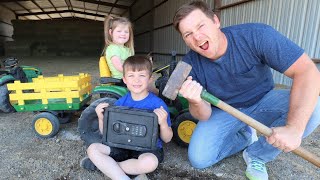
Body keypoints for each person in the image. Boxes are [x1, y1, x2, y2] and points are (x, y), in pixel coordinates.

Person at [172, 1, 320, 180]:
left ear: (216, 21)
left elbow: (307, 71)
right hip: (223, 111)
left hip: (264, 101)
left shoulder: (256, 35)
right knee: (199, 159)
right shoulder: (186, 67)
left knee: (314, 108)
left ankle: (257, 154)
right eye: (188, 34)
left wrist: (294, 129)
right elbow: (203, 115)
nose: (196, 37)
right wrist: (195, 101)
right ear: (184, 39)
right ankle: (244, 136)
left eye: (200, 26)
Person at [81, 55, 173, 180]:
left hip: (146, 150)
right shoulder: (120, 103)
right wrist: (101, 117)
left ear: (150, 79)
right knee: (92, 149)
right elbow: (105, 135)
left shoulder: (158, 105)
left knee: (150, 163)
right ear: (124, 79)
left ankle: (107, 167)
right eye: (131, 76)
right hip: (121, 147)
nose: (136, 80)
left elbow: (167, 139)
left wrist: (162, 123)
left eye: (142, 75)